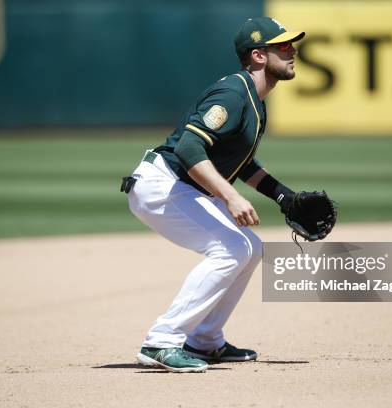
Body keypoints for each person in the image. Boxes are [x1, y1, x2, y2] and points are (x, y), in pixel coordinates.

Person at [122, 17, 305, 373]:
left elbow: (242, 163)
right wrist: (231, 197)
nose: (292, 50)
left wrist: (284, 196)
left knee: (251, 248)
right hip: (163, 185)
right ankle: (161, 340)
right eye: (282, 46)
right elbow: (191, 148)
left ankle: (205, 341)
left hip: (178, 186)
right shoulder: (234, 94)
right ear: (259, 56)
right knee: (231, 248)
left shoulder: (253, 99)